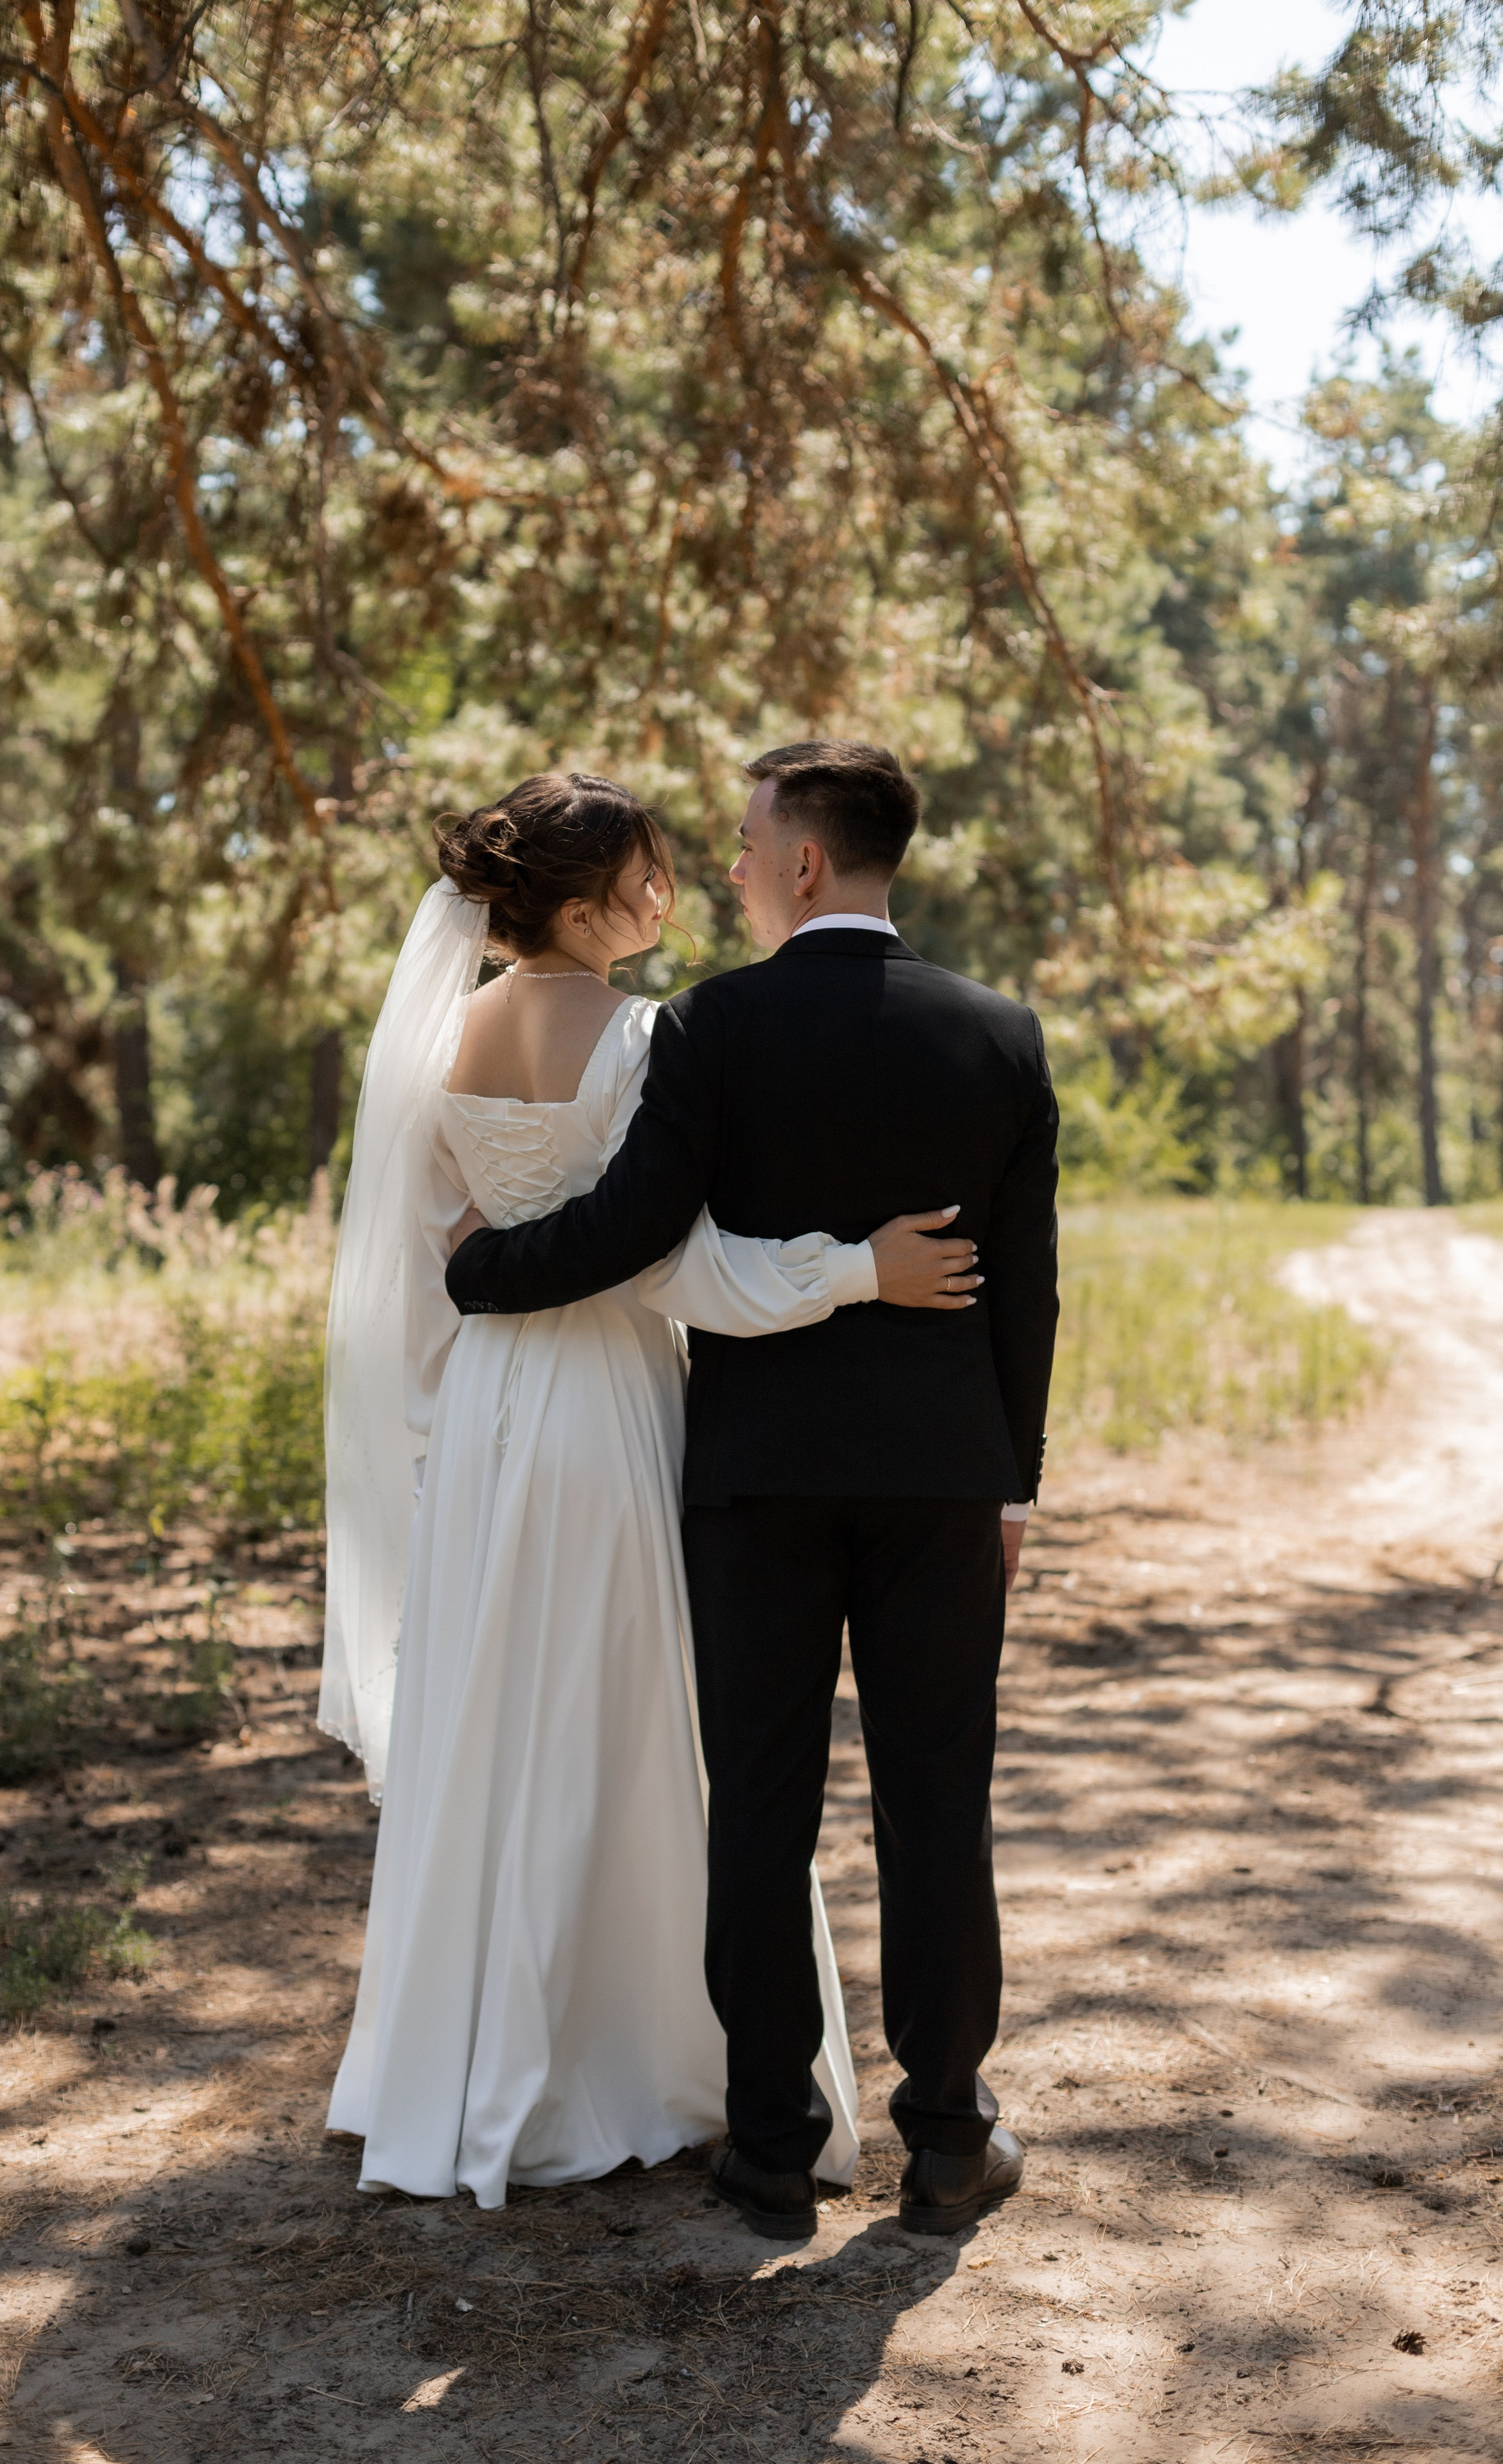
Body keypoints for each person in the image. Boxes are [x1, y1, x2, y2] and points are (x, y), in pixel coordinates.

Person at [319, 771, 977, 2212]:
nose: (666, 893)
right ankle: (626, 2059)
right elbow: (666, 1261)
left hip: (493, 1407)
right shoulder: (644, 1037)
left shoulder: (437, 1041)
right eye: (641, 876)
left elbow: (432, 1266)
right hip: (611, 1396)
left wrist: (443, 1432)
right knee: (631, 1718)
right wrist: (856, 1268)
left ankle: (458, 2061)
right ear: (575, 907)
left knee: (496, 1712)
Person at [447, 741, 1059, 2239]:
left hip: (751, 1485)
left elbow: (632, 1232)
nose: (724, 866)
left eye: (739, 843)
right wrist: (1009, 1489)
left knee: (758, 1814)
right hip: (936, 1485)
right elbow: (1026, 1290)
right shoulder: (997, 1031)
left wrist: (478, 1270)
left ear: (800, 863)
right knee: (936, 1806)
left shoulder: (709, 1027)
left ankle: (772, 2151)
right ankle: (941, 2141)